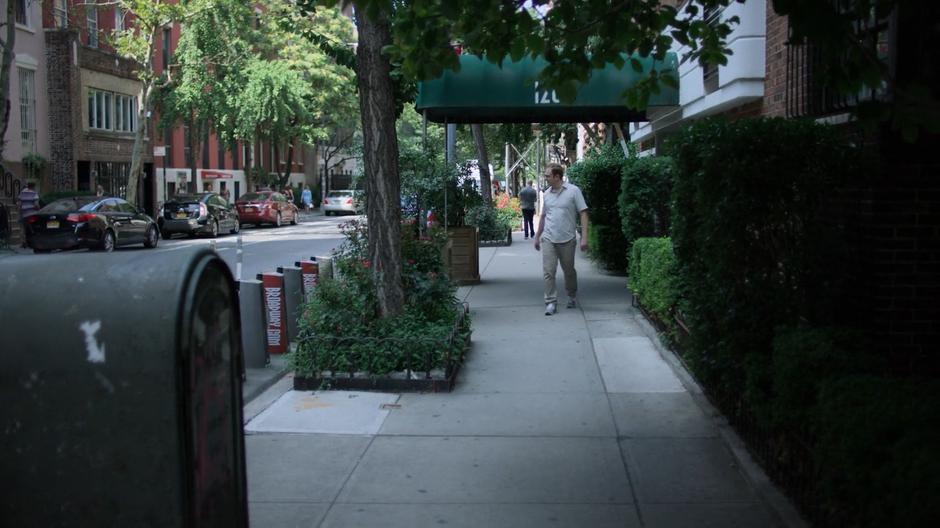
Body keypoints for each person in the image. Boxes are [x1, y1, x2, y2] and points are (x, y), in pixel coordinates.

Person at [534, 163, 588, 316]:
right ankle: (550, 302)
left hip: (567, 239)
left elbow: (583, 213)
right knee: (548, 272)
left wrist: (584, 237)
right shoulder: (547, 194)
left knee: (569, 271)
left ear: (557, 176)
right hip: (549, 239)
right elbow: (544, 216)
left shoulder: (573, 191)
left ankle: (571, 295)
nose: (545, 178)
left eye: (547, 175)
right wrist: (537, 236)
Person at [16, 182, 41, 247]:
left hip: (24, 214)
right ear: (33, 186)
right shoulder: (34, 193)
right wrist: (39, 209)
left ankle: (23, 242)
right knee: (33, 228)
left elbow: (19, 204)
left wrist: (20, 211)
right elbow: (36, 205)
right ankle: (34, 242)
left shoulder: (22, 193)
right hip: (32, 214)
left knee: (23, 228)